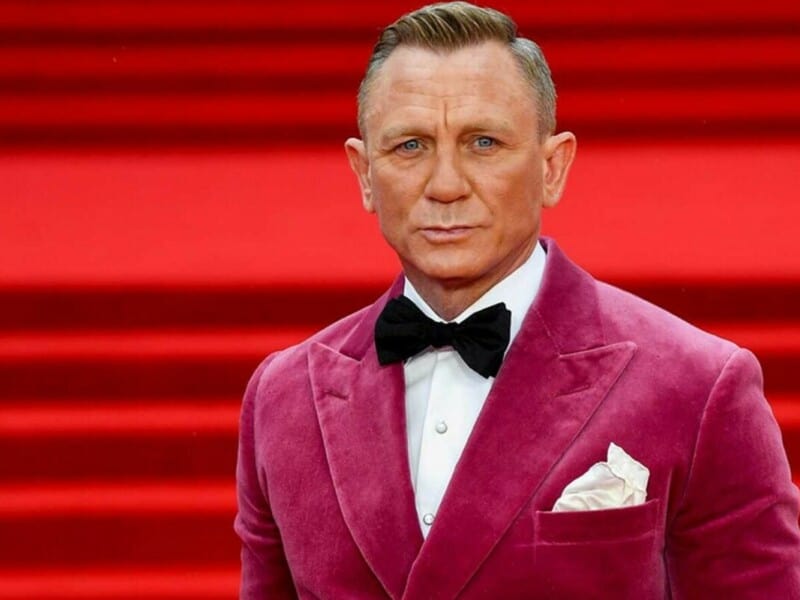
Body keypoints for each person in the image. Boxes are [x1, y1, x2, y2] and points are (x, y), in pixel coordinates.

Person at [234, 2, 800, 597]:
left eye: (483, 142)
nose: (446, 185)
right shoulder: (283, 398)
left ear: (552, 167)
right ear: (364, 174)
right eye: (410, 146)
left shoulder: (697, 386)